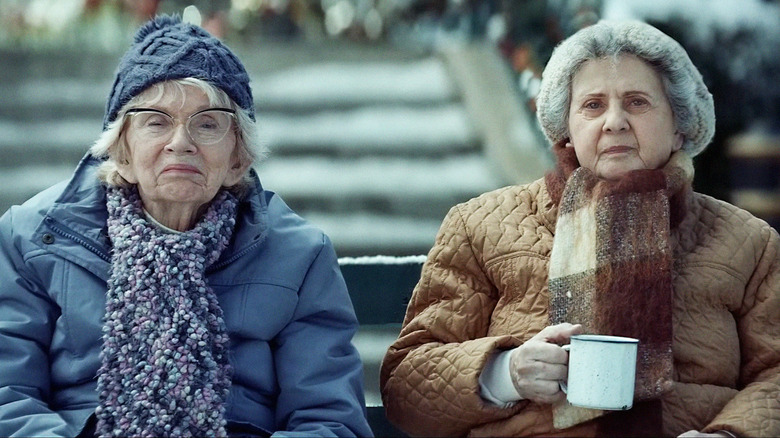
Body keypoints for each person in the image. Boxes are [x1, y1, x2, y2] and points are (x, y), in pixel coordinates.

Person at [380, 20, 779, 438]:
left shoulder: (747, 243)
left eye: (637, 102)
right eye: (592, 105)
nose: (614, 122)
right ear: (565, 128)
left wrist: (729, 435)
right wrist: (504, 373)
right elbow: (406, 382)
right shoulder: (480, 225)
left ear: (681, 126)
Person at [0, 15, 372, 438]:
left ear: (238, 158)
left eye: (208, 123)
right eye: (155, 121)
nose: (181, 142)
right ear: (121, 150)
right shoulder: (31, 237)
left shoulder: (299, 255)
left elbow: (329, 421)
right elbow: (8, 399)